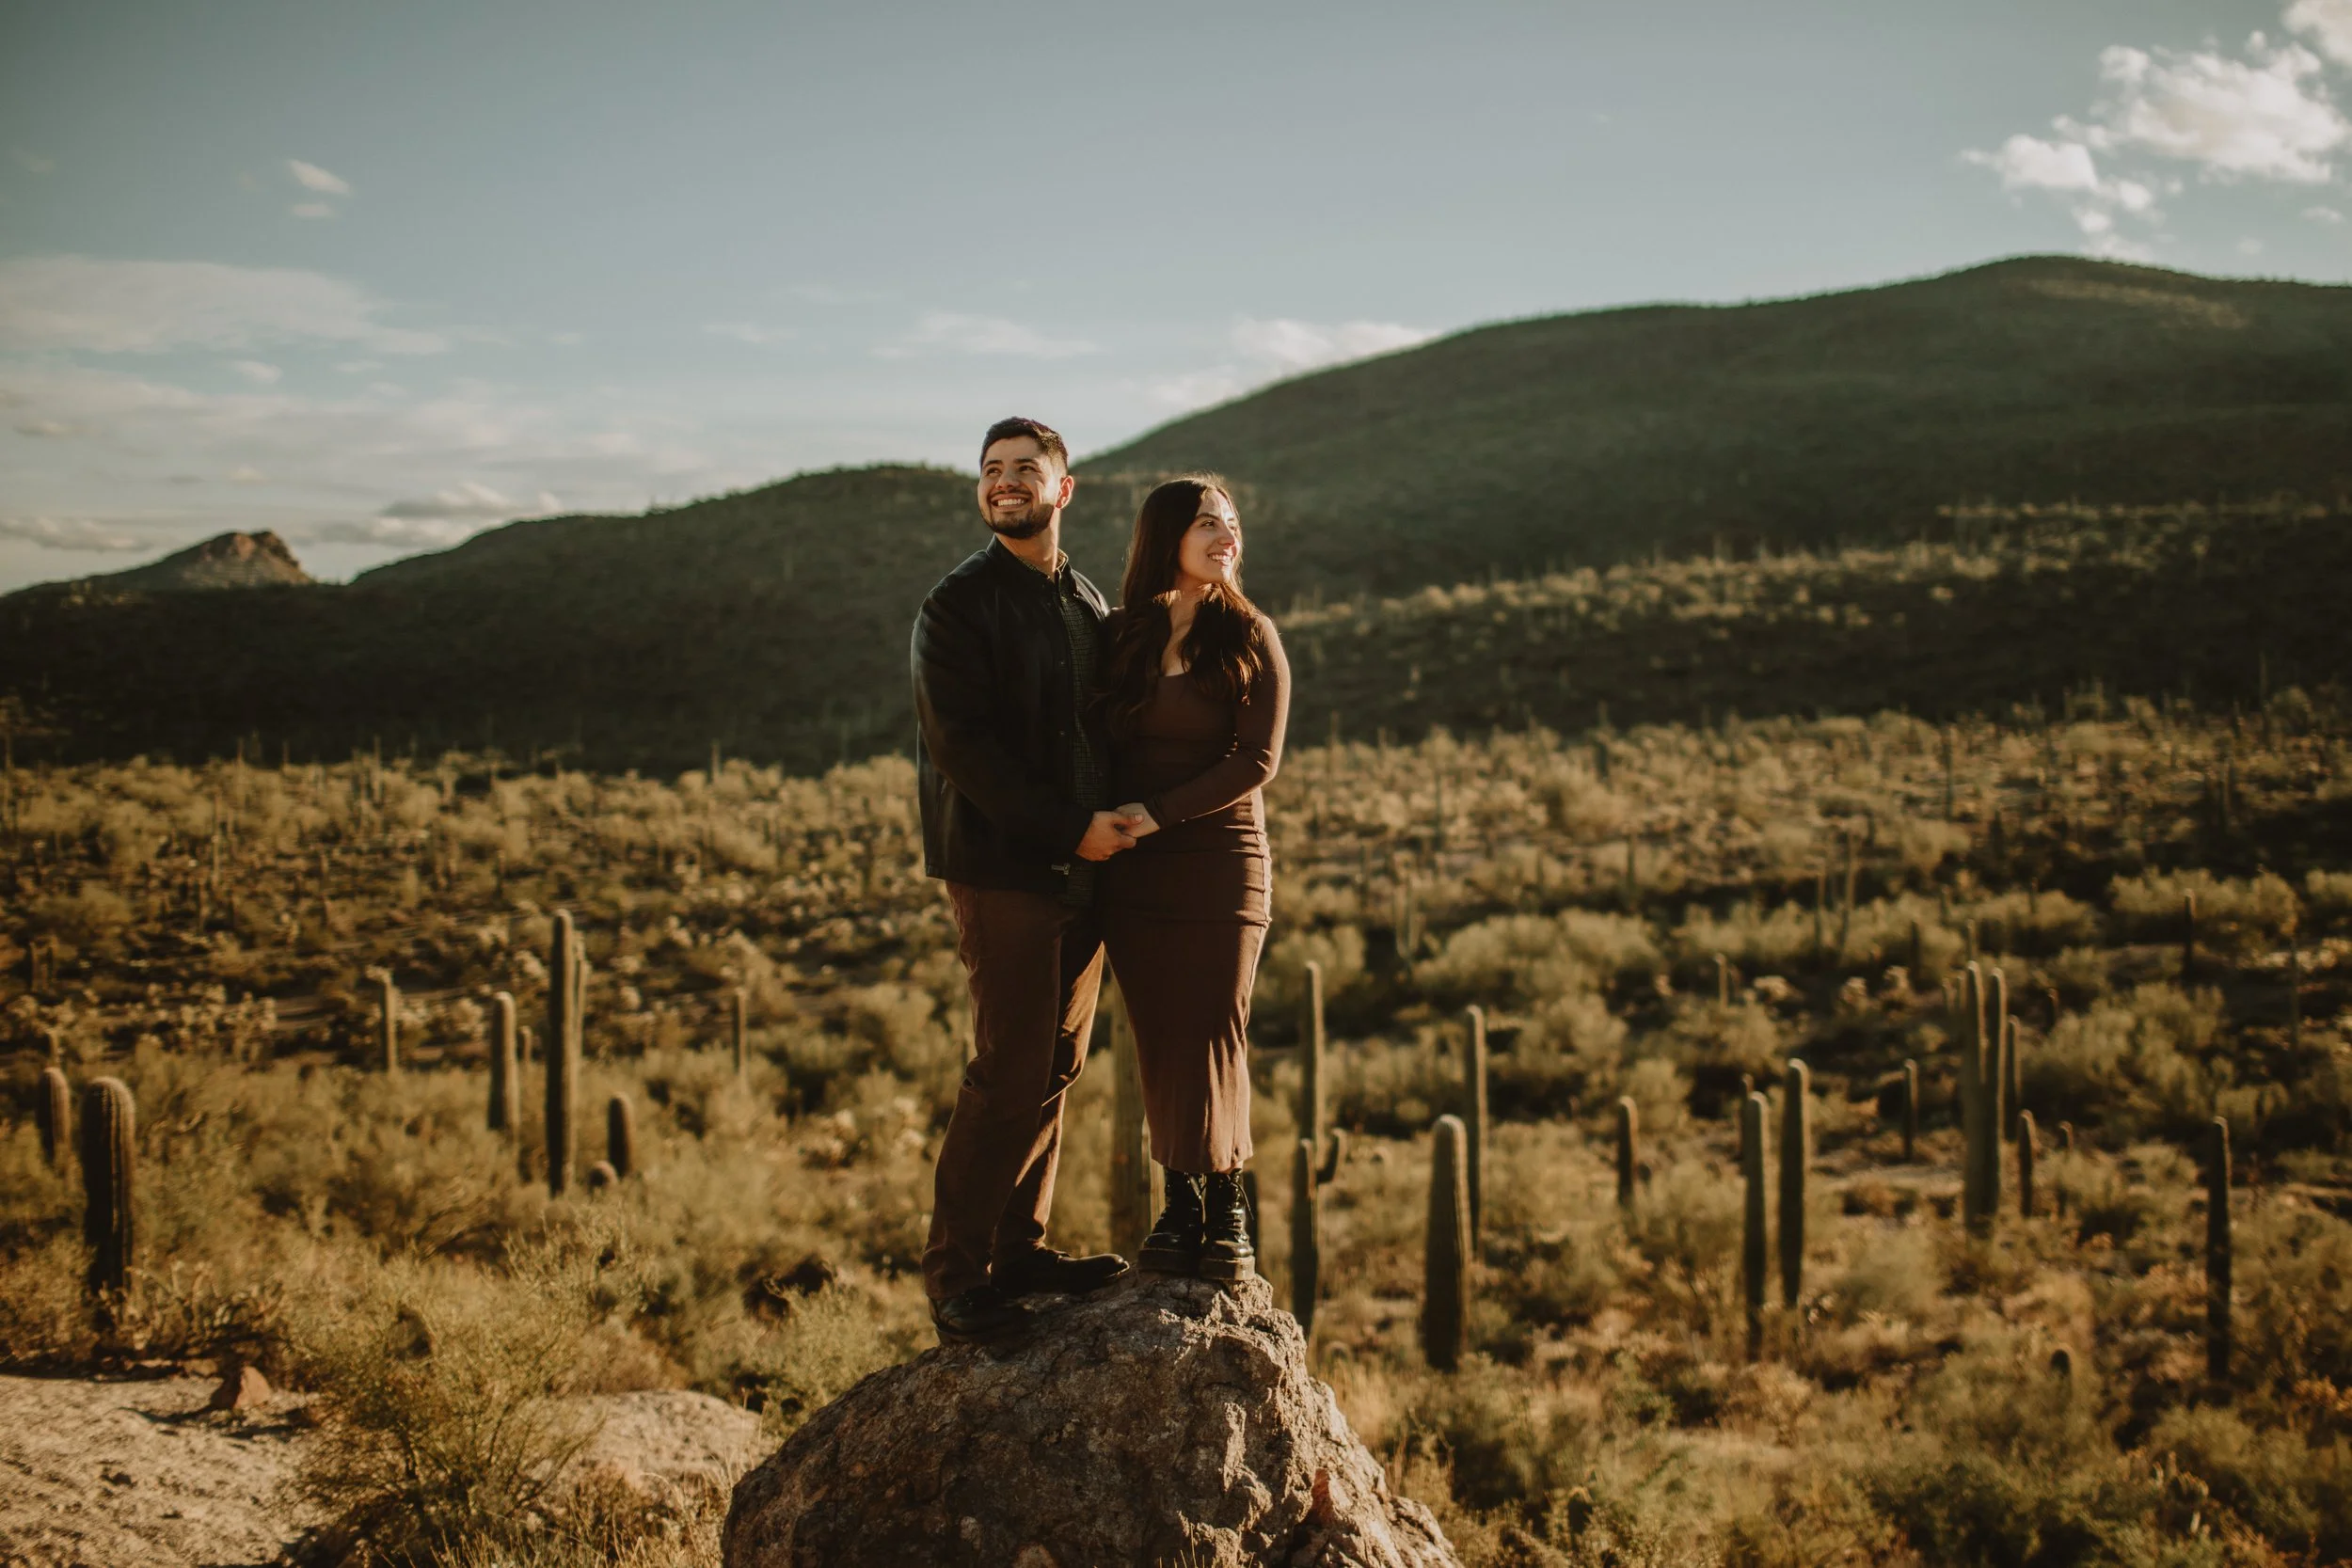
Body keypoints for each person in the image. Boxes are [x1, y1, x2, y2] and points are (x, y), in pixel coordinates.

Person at [911, 415, 1142, 1345]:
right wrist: (1071, 827)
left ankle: (1019, 1249)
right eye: (991, 470)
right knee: (1007, 1068)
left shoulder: (1082, 598)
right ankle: (956, 1278)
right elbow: (961, 748)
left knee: (1055, 1065)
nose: (1003, 482)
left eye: (1023, 469)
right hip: (1003, 865)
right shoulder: (958, 606)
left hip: (1083, 868)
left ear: (1063, 488)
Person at [1095, 474, 1291, 1283]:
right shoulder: (1119, 635)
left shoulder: (1250, 634)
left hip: (1221, 862)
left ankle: (1228, 1203)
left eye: (1232, 523)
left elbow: (1258, 759)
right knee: (1161, 1036)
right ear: (1166, 535)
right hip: (1135, 871)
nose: (1226, 535)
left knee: (1215, 1026)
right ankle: (1179, 1205)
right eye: (1208, 521)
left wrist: (1159, 812)